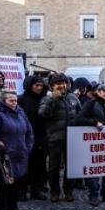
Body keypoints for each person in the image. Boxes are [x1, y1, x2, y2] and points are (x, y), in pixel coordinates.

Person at [0, 90, 34, 210]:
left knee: (17, 181)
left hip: (20, 153)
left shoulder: (21, 113)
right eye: (11, 100)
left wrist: (27, 147)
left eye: (15, 100)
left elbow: (29, 132)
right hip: (5, 155)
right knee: (4, 183)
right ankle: (1, 208)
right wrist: (0, 149)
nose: (14, 103)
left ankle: (13, 206)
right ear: (3, 101)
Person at [39, 73, 81, 202]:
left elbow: (80, 114)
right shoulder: (47, 98)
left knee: (71, 166)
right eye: (58, 83)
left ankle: (68, 191)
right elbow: (42, 114)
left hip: (72, 138)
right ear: (52, 86)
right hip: (55, 138)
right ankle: (54, 192)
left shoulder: (73, 97)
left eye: (64, 83)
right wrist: (53, 99)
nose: (62, 85)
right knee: (54, 167)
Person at [18, 75, 48, 200]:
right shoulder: (22, 99)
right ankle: (22, 191)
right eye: (37, 85)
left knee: (39, 164)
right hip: (26, 136)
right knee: (25, 164)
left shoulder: (45, 99)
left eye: (41, 85)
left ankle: (37, 189)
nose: (39, 88)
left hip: (41, 135)